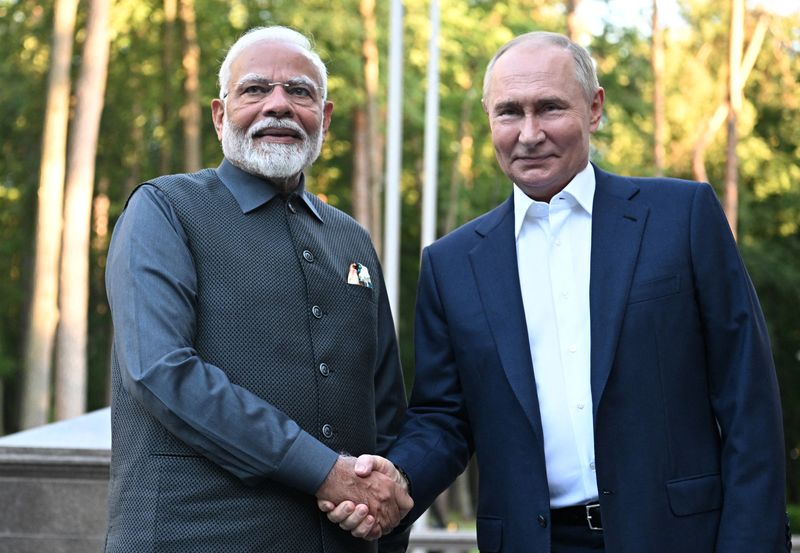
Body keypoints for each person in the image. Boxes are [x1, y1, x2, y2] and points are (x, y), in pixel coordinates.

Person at [321, 31, 790, 552]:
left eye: (549, 108)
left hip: (681, 536)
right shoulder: (450, 265)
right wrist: (398, 481)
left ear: (594, 109)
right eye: (509, 113)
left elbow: (748, 397)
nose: (528, 133)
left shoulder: (682, 217)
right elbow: (443, 418)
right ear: (489, 120)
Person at [103, 26, 411, 553]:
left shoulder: (351, 237)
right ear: (220, 115)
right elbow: (159, 369)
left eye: (299, 92)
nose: (279, 106)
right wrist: (322, 470)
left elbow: (386, 408)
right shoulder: (164, 209)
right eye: (254, 90)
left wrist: (387, 511)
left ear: (325, 117)